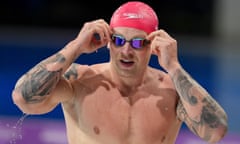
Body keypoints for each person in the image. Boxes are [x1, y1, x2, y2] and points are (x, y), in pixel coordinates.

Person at [12, 1, 228, 144]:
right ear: (108, 42)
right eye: (118, 40)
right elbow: (23, 98)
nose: (126, 50)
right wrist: (76, 46)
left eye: (137, 42)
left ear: (152, 46)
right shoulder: (79, 81)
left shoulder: (170, 91)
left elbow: (216, 131)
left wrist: (173, 67)